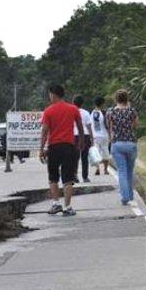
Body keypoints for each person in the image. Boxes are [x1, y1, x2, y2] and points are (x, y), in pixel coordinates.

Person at [40, 84, 85, 216]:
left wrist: (41, 148)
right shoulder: (73, 109)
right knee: (68, 178)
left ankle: (56, 204)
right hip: (68, 146)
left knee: (53, 177)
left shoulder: (48, 111)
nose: (49, 97)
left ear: (53, 94)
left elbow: (44, 131)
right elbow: (80, 126)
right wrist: (81, 142)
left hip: (53, 147)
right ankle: (67, 207)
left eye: (49, 94)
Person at [107, 89, 139, 205]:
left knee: (122, 171)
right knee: (129, 171)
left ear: (116, 99)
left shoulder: (111, 112)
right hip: (130, 143)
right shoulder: (132, 111)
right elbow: (135, 126)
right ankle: (130, 195)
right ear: (127, 99)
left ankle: (125, 196)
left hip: (117, 143)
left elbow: (110, 129)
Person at [72, 95, 94, 183]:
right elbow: (89, 126)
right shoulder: (86, 113)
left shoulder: (71, 111)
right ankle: (85, 177)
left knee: (75, 157)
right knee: (85, 157)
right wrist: (92, 137)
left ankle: (75, 175)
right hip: (85, 136)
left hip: (75, 136)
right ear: (82, 103)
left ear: (73, 102)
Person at [91, 96, 111, 175]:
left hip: (95, 136)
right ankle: (105, 170)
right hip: (104, 135)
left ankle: (97, 169)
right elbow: (107, 124)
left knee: (97, 153)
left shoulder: (92, 113)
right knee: (106, 152)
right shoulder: (104, 112)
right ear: (102, 103)